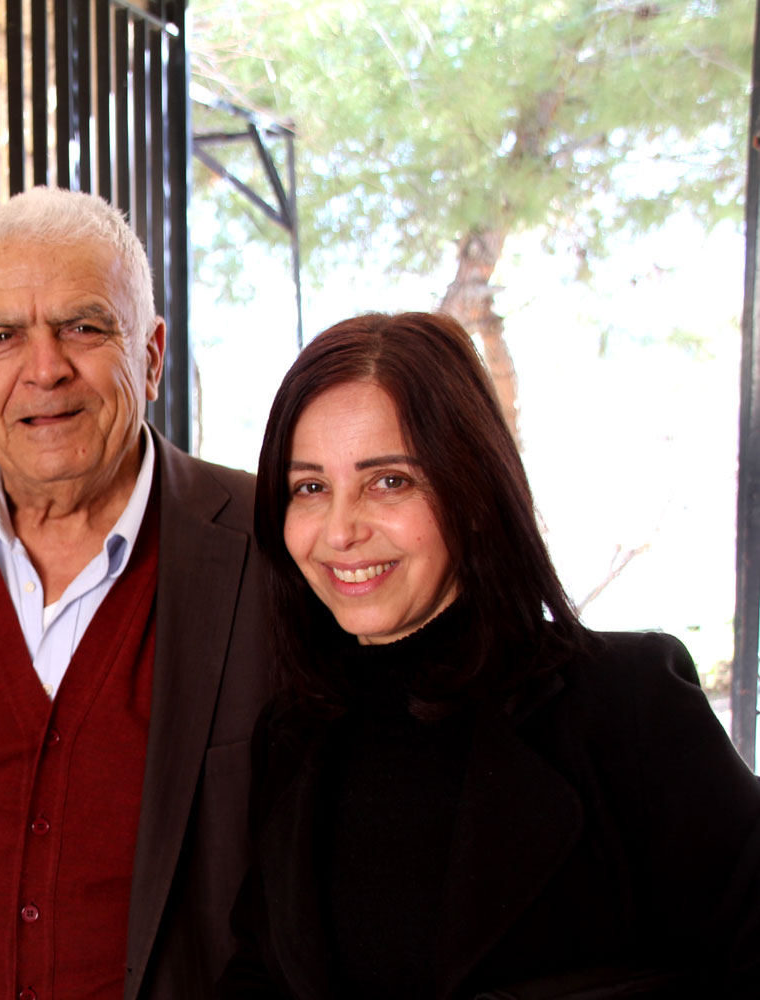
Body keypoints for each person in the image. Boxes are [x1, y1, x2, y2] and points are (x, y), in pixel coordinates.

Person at [218, 311, 760, 998]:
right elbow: (259, 974)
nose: (341, 530)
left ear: (471, 493)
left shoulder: (628, 703)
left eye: (390, 481)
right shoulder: (293, 734)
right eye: (311, 488)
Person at [0, 186, 273, 1000]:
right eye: (1, 336)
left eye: (84, 326)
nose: (44, 369)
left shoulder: (266, 544)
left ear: (152, 354)